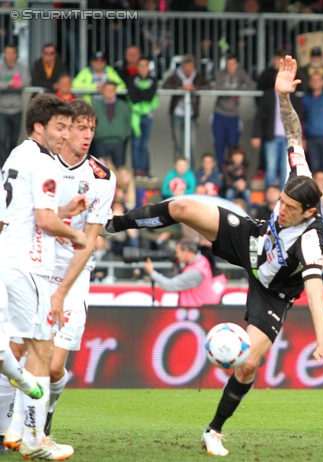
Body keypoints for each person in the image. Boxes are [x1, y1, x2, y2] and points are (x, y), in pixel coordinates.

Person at [103, 55, 323, 457]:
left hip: (274, 291)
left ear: (310, 213)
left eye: (288, 208)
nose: (280, 208)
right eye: (280, 202)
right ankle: (112, 225)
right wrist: (282, 97)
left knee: (246, 366)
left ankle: (213, 429)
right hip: (252, 240)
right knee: (180, 208)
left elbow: (315, 293)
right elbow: (294, 132)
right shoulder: (299, 183)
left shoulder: (311, 242)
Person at [0, 94, 87, 460]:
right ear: (40, 127)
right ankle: (36, 439)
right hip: (30, 265)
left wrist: (64, 210)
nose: (66, 136)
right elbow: (44, 221)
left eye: (69, 127)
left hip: (8, 256)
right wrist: (79, 236)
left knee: (16, 345)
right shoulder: (45, 163)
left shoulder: (15, 157)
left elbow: (16, 213)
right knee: (42, 349)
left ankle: (16, 431)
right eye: (60, 127)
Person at [42, 99, 116, 437]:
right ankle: (24, 427)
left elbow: (89, 240)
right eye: (80, 128)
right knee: (31, 358)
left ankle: (49, 409)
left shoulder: (101, 177)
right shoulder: (42, 164)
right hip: (38, 266)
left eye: (92, 129)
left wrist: (62, 291)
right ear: (65, 128)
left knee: (55, 366)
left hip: (73, 273)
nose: (87, 136)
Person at [144, 237, 225, 307]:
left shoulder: (196, 272)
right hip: (196, 311)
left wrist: (152, 272)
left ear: (186, 251)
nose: (176, 255)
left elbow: (170, 285)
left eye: (177, 252)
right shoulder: (201, 260)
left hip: (196, 315)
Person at [211, 52, 255, 168]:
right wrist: (233, 95)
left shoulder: (241, 73)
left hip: (233, 116)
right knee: (219, 146)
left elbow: (251, 86)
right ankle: (221, 173)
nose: (230, 67)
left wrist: (240, 93)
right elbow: (218, 89)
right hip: (219, 114)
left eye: (232, 64)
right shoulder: (220, 73)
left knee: (233, 147)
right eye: (228, 64)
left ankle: (232, 172)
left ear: (237, 64)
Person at [163, 55, 211, 162]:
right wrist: (181, 88)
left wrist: (194, 88)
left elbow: (208, 86)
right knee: (178, 145)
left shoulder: (198, 77)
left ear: (194, 67)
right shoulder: (176, 76)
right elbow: (165, 85)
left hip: (191, 115)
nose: (188, 70)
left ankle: (191, 173)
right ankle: (178, 173)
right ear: (182, 67)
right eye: (186, 67)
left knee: (191, 145)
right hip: (177, 115)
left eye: (190, 67)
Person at [127, 55, 159, 179]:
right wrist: (143, 93)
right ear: (138, 67)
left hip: (148, 116)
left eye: (145, 66)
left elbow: (150, 96)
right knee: (136, 144)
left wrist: (139, 92)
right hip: (136, 116)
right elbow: (134, 98)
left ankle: (145, 171)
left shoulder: (153, 79)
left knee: (145, 144)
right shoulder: (132, 79)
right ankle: (136, 171)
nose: (143, 68)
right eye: (141, 66)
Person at [0, 44, 30, 168]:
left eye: (12, 53)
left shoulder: (22, 68)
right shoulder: (1, 68)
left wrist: (21, 84)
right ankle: (2, 164)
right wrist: (8, 84)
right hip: (2, 109)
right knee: (1, 138)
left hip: (17, 108)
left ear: (16, 54)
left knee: (14, 140)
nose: (10, 56)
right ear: (4, 54)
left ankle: (11, 164)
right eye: (7, 53)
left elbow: (27, 80)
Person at [92, 81, 131, 169]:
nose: (110, 92)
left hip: (118, 142)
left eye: (112, 89)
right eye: (107, 89)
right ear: (102, 91)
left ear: (115, 91)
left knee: (119, 168)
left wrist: (124, 135)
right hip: (101, 141)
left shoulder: (123, 106)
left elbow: (128, 123)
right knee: (100, 169)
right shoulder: (96, 107)